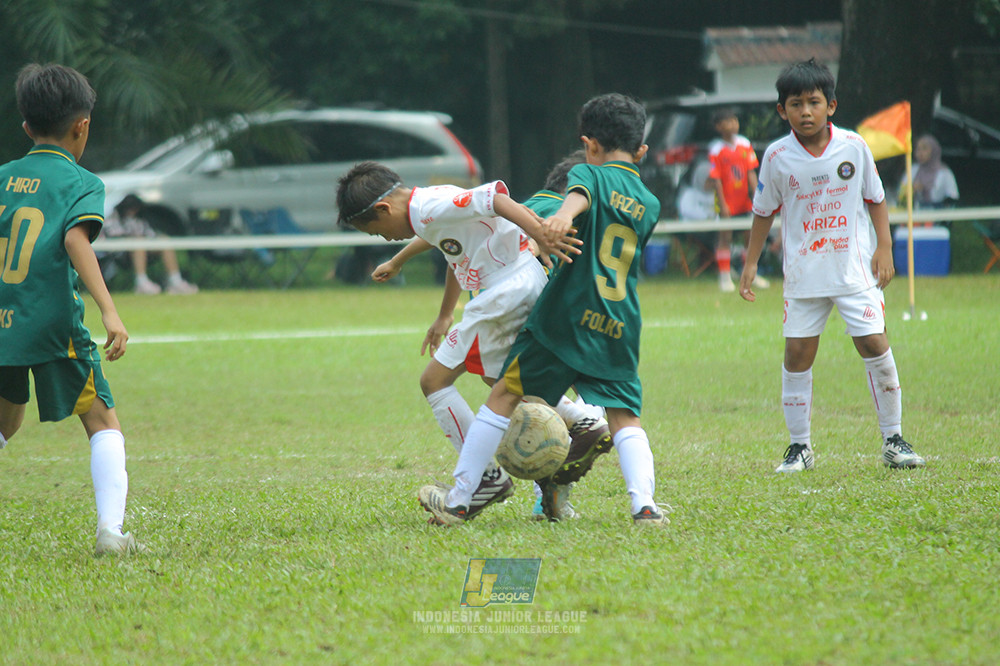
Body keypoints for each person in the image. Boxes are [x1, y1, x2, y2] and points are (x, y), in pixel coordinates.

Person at [417, 93, 669, 527]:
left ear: (588, 145)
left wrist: (559, 219)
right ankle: (644, 505)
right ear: (642, 150)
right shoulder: (651, 201)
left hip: (565, 319)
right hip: (618, 322)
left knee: (502, 396)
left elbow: (577, 200)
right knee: (626, 415)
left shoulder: (586, 174)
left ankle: (459, 501)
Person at [337, 160, 610, 522]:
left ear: (383, 209)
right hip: (515, 285)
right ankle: (579, 426)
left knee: (434, 381)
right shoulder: (428, 207)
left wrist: (541, 232)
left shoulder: (431, 207)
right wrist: (431, 297)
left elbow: (496, 198)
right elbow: (452, 248)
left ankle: (484, 479)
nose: (384, 238)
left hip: (506, 289)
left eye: (377, 231)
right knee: (500, 381)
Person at [739, 58, 926, 473]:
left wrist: (885, 248)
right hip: (804, 274)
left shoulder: (854, 147)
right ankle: (799, 447)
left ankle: (894, 439)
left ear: (831, 106)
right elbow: (763, 211)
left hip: (853, 270)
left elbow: (875, 199)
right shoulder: (776, 156)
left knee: (874, 343)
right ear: (781, 110)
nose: (805, 111)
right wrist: (750, 263)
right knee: (797, 354)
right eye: (795, 104)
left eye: (813, 102)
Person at [0, 63, 142, 555]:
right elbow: (75, 238)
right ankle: (111, 533)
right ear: (82, 126)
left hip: (3, 322)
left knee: (5, 420)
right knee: (103, 422)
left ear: (25, 127)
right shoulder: (83, 183)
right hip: (51, 323)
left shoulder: (2, 178)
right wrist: (109, 310)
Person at [707, 107, 769, 292]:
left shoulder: (744, 143)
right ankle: (725, 276)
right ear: (719, 126)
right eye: (727, 121)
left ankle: (751, 273)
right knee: (725, 236)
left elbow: (750, 171)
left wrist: (757, 193)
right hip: (727, 200)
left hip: (744, 200)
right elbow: (716, 178)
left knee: (749, 235)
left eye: (734, 120)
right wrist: (723, 203)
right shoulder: (716, 149)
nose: (732, 124)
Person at [101, 194, 199, 294]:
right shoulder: (113, 218)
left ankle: (175, 280)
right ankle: (141, 282)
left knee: (163, 240)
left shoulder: (139, 220)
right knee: (138, 241)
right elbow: (113, 236)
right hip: (120, 253)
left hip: (143, 251)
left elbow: (150, 234)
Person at [899, 134, 959, 225]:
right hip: (915, 220)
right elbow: (900, 195)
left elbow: (952, 199)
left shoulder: (945, 173)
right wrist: (911, 190)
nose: (920, 153)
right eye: (918, 149)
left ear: (934, 151)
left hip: (938, 221)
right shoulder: (913, 170)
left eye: (924, 149)